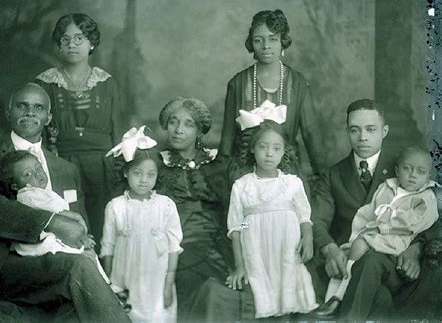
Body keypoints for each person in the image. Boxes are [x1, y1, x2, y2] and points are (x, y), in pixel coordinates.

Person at [0, 83, 130, 321]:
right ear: (8, 112)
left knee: (83, 296)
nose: (30, 112)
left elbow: (78, 223)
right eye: (22, 106)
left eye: (38, 108)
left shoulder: (66, 169)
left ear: (48, 117)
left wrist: (86, 245)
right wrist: (51, 223)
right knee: (77, 269)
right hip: (5, 264)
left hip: (58, 262)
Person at [311, 98, 438, 320]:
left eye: (371, 129)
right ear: (347, 132)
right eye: (354, 130)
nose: (362, 137)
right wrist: (329, 248)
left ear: (384, 130)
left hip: (395, 262)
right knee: (379, 300)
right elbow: (317, 220)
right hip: (348, 264)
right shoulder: (333, 174)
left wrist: (416, 248)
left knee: (371, 268)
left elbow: (433, 217)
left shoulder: (406, 167)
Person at [36, 13, 123, 250]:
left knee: (101, 218)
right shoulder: (45, 82)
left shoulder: (106, 83)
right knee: (69, 216)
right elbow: (39, 132)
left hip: (100, 163)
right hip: (61, 160)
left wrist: (117, 168)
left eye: (79, 38)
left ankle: (104, 276)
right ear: (58, 44)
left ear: (91, 43)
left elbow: (117, 128)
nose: (72, 44)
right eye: (65, 39)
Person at [226, 110, 318, 318]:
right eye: (263, 147)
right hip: (256, 249)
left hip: (287, 248)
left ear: (284, 151)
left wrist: (309, 239)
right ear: (252, 149)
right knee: (263, 300)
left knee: (286, 295)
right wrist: (239, 266)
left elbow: (304, 217)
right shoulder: (242, 186)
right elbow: (236, 229)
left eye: (276, 148)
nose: (269, 154)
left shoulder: (292, 183)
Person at [220, 9, 326, 184]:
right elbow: (227, 139)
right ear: (251, 44)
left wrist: (323, 177)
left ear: (282, 42)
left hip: (287, 170)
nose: (266, 46)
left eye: (273, 39)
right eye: (258, 40)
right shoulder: (238, 83)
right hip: (244, 172)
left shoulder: (298, 83)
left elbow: (310, 133)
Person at [155, 97, 234, 319]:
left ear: (200, 131)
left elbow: (238, 212)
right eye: (173, 122)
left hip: (219, 244)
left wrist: (240, 232)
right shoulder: (155, 164)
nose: (178, 130)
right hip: (175, 245)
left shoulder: (218, 163)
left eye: (188, 124)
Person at [101, 126, 183, 323]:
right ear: (125, 173)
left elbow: (173, 247)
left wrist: (168, 283)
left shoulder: (165, 205)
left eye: (150, 174)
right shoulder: (116, 207)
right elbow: (108, 247)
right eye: (137, 173)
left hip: (156, 280)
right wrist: (110, 286)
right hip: (124, 278)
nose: (144, 180)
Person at [0, 150, 110, 283]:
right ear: (15, 186)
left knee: (89, 256)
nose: (37, 174)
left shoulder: (38, 193)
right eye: (28, 174)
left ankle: (105, 285)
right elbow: (57, 215)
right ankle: (106, 286)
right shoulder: (29, 196)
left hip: (50, 240)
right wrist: (76, 218)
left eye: (38, 168)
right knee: (87, 257)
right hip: (43, 246)